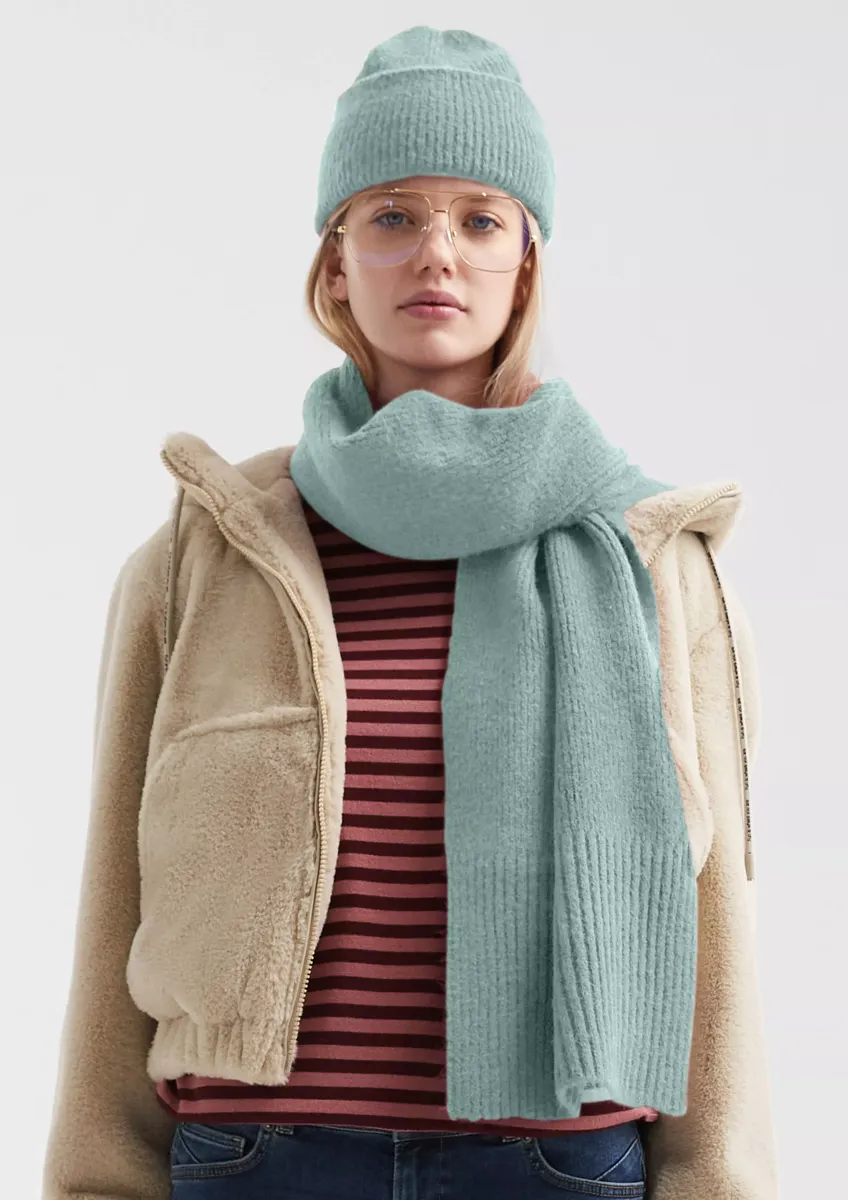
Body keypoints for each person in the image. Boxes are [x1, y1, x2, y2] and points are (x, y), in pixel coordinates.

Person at [42, 25, 780, 1200]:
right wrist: (94, 1178)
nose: (436, 251)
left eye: (479, 220)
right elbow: (112, 905)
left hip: (551, 1166)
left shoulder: (646, 555)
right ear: (336, 261)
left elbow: (716, 930)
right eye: (391, 215)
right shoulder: (209, 554)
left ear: (523, 263)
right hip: (256, 1159)